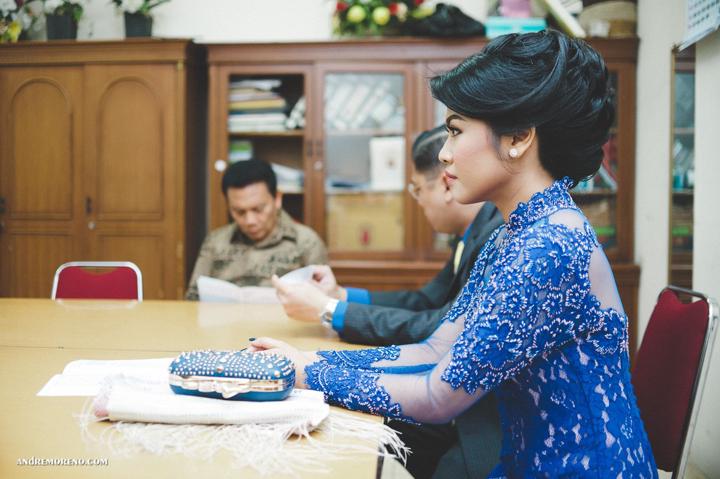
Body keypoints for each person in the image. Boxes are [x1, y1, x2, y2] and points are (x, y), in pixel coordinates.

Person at [249, 30, 658, 477]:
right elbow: (436, 348)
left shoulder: (549, 246)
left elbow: (438, 396)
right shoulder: (518, 233)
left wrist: (306, 375)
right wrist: (308, 360)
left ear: (519, 136)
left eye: (456, 131)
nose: (444, 154)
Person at [273, 126, 504, 478]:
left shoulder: (499, 236)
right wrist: (340, 298)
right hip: (457, 399)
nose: (418, 201)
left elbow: (438, 334)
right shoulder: (476, 233)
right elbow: (426, 302)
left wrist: (325, 320)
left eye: (417, 190)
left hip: (485, 423)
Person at [185, 159, 327, 300]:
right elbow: (193, 299)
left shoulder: (306, 242)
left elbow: (322, 302)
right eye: (239, 212)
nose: (250, 221)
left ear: (277, 199)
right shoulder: (216, 242)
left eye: (258, 209)